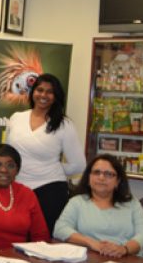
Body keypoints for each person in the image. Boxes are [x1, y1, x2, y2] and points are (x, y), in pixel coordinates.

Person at [5, 74, 85, 234]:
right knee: (15, 236)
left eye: (50, 92)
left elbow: (79, 165)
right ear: (32, 92)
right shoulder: (16, 118)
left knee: (43, 242)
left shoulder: (64, 125)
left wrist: (51, 169)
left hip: (49, 191)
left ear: (56, 97)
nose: (43, 95)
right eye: (40, 90)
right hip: (16, 188)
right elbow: (7, 154)